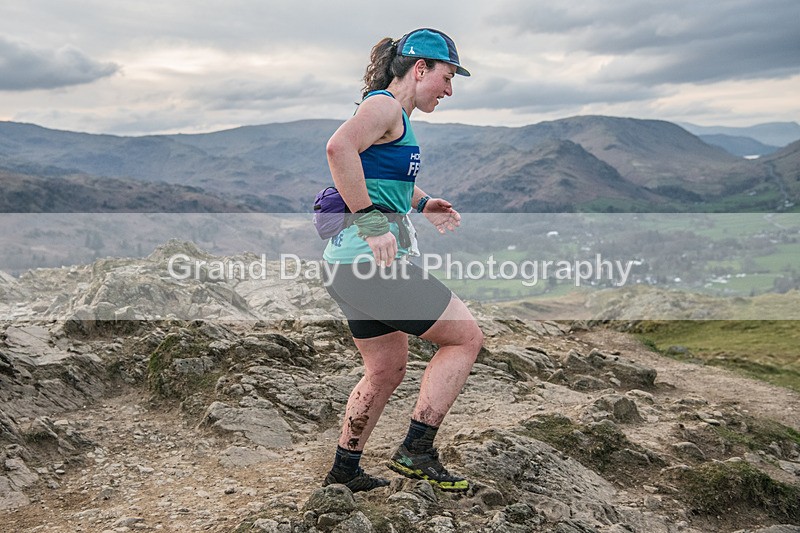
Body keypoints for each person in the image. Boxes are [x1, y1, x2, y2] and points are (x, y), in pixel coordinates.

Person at [319, 28, 483, 493]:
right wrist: (371, 223)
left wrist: (423, 202)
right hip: (371, 267)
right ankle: (417, 449)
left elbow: (380, 174)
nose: (449, 90)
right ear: (420, 69)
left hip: (346, 269)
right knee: (465, 339)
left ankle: (344, 473)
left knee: (385, 370)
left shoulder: (393, 115)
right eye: (447, 78)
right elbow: (339, 148)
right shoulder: (386, 107)